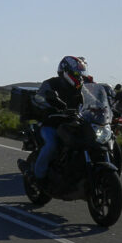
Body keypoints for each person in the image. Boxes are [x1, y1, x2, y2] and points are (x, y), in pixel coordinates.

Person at [24, 56, 87, 185]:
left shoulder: (82, 87)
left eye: (81, 73)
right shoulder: (51, 84)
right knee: (52, 145)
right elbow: (39, 99)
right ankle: (38, 177)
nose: (79, 76)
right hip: (51, 123)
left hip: (73, 123)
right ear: (65, 71)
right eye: (76, 73)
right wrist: (49, 107)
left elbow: (90, 102)